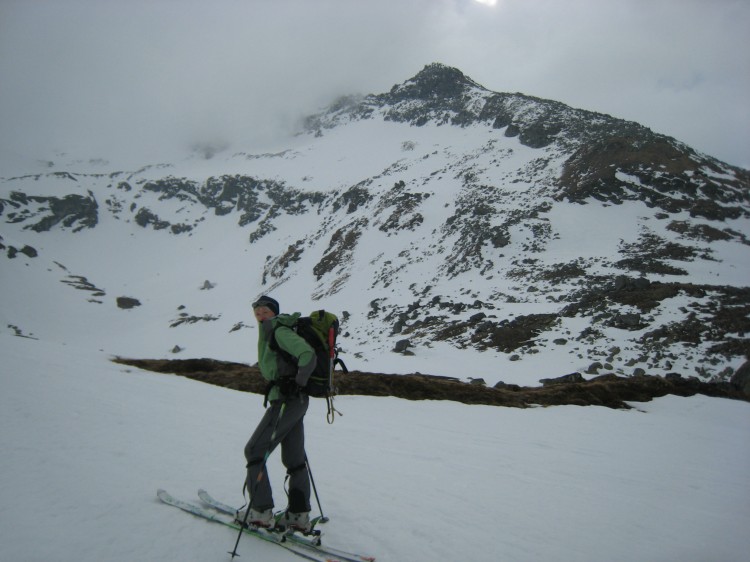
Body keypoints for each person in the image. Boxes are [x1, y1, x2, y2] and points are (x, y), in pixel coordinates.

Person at [237, 295, 317, 532]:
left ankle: (260, 511)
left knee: (254, 450)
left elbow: (308, 355)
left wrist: (297, 383)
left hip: (287, 400)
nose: (261, 316)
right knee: (294, 457)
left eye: (265, 312)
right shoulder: (273, 331)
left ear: (274, 312)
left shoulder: (279, 331)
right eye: (257, 313)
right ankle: (298, 514)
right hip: (295, 401)